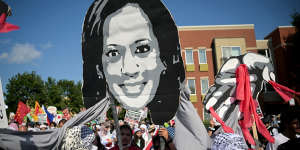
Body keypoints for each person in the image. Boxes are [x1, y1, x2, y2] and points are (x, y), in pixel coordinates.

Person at [81, 0, 185, 124]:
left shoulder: (181, 135)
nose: (129, 70)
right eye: (113, 53)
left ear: (164, 57)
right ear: (99, 67)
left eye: (142, 49)